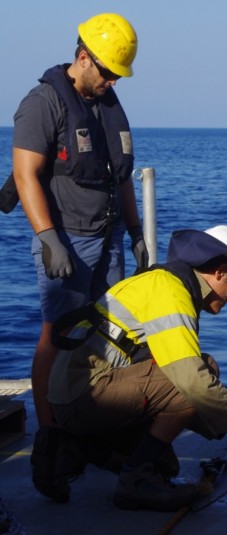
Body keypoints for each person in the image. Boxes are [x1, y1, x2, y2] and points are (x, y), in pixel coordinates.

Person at [35, 226, 227, 512]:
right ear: (221, 272)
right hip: (84, 395)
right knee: (198, 374)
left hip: (76, 393)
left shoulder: (161, 282)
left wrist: (225, 421)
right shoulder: (172, 293)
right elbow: (191, 383)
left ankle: (73, 449)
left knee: (165, 465)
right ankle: (134, 483)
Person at [12, 14, 147, 438]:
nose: (113, 81)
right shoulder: (43, 103)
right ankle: (50, 430)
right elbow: (24, 174)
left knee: (109, 332)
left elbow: (121, 176)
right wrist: (49, 240)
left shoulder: (106, 107)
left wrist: (137, 231)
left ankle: (94, 416)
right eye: (107, 72)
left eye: (118, 74)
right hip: (68, 241)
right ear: (84, 58)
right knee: (60, 332)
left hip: (110, 239)